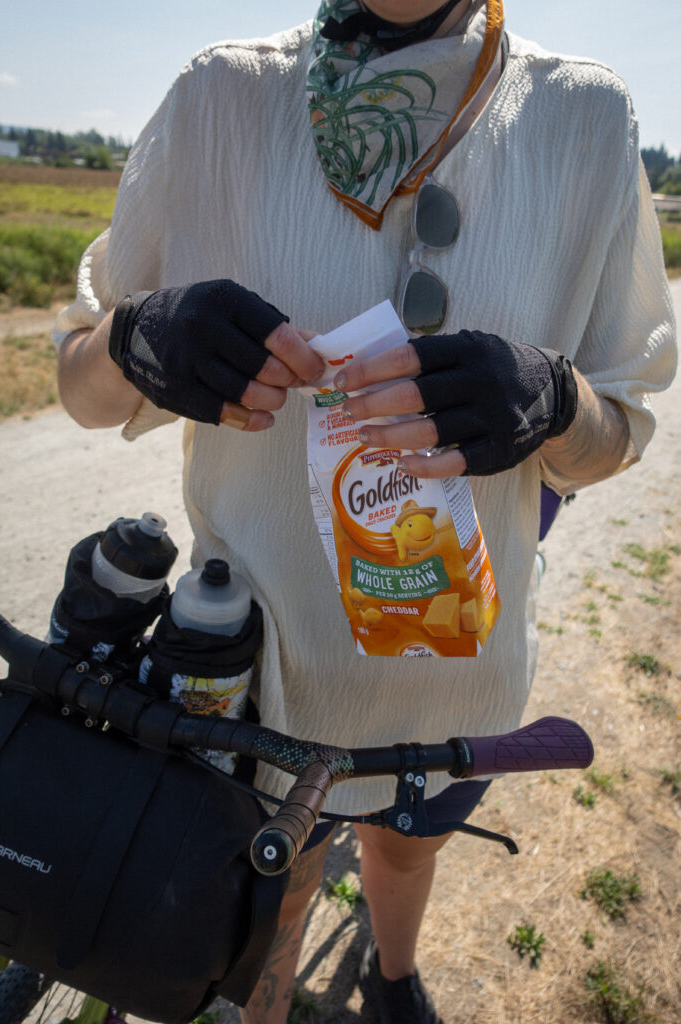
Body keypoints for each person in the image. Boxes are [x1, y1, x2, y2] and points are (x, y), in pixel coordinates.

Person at [53, 1, 676, 1021]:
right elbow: (78, 381)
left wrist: (554, 402)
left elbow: (617, 434)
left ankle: (392, 973)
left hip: (453, 682)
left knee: (405, 847)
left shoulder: (582, 121)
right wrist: (132, 342)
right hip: (251, 692)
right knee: (265, 922)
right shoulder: (220, 96)